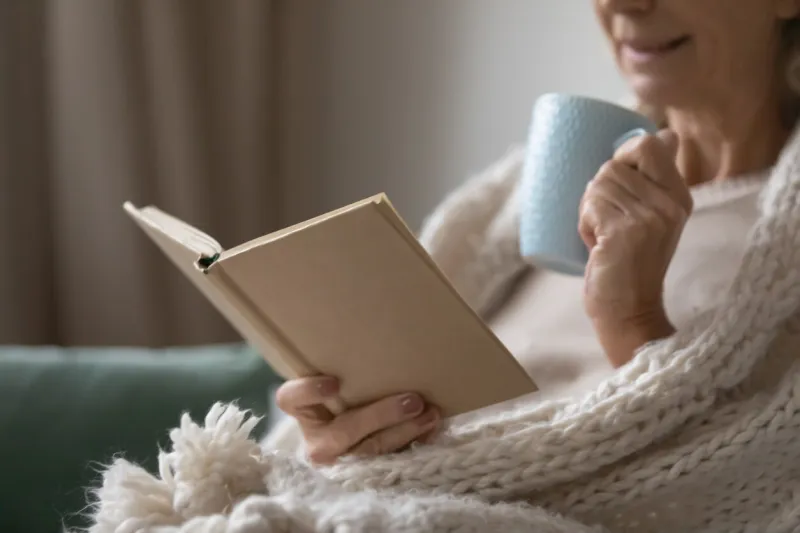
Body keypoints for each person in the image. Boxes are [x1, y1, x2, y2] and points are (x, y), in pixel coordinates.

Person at [270, 0, 800, 465]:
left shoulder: (780, 244)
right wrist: (338, 434)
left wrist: (633, 320)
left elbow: (743, 479)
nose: (621, 3)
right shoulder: (532, 184)